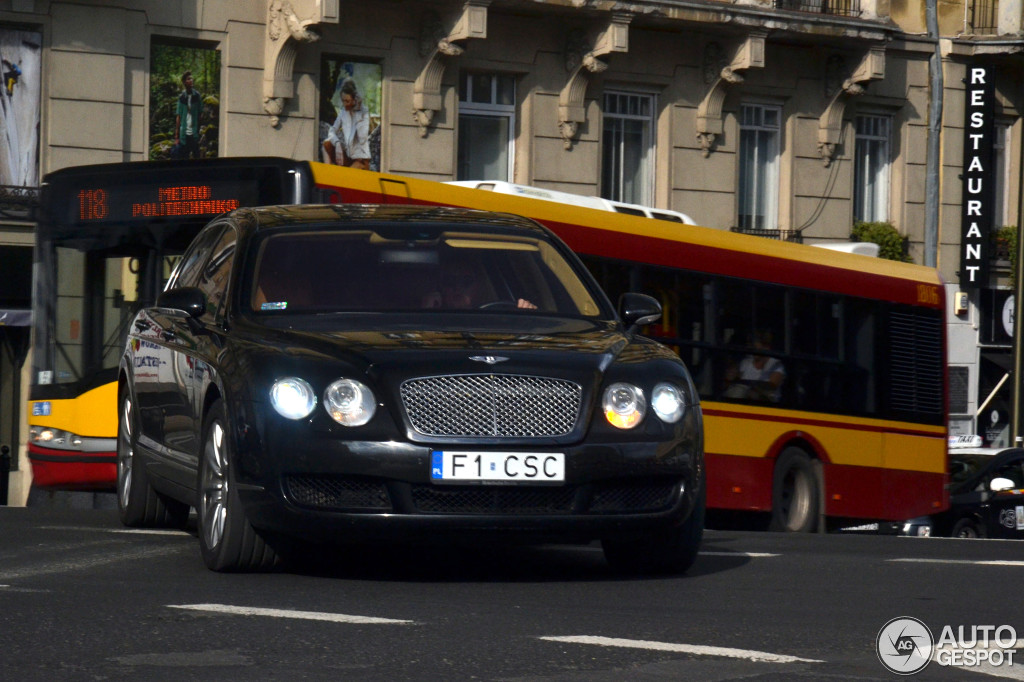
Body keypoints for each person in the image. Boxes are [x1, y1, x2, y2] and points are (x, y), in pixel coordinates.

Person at [422, 260, 536, 310]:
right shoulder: (434, 320)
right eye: (449, 281)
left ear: (478, 286)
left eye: (465, 281)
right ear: (440, 287)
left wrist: (529, 315)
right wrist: (426, 310)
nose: (457, 287)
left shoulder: (501, 316)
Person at [322, 77, 371, 170]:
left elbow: (362, 136)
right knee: (326, 145)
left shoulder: (363, 112)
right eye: (343, 100)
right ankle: (327, 173)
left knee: (348, 174)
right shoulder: (343, 112)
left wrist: (357, 112)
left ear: (354, 100)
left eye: (347, 101)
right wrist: (337, 144)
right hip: (348, 155)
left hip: (360, 159)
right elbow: (332, 131)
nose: (345, 104)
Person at [724, 329, 785, 403]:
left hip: (766, 403)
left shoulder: (776, 364)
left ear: (766, 347)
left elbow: (772, 385)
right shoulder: (746, 362)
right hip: (746, 400)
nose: (752, 350)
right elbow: (733, 379)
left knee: (741, 391)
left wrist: (748, 385)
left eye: (755, 348)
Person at [174, 71, 203, 159]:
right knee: (184, 157)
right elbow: (178, 116)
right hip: (184, 134)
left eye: (191, 78)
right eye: (189, 79)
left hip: (194, 133)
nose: (191, 80)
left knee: (196, 156)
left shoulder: (197, 96)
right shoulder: (182, 97)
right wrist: (176, 135)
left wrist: (198, 129)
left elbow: (200, 113)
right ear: (184, 82)